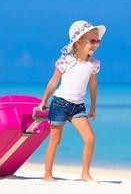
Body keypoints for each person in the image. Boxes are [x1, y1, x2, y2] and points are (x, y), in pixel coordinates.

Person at [38, 20, 106, 182]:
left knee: (90, 138)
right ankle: (47, 174)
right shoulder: (66, 60)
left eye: (98, 41)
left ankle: (85, 174)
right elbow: (53, 82)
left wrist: (93, 107)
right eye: (92, 41)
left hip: (78, 107)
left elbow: (93, 85)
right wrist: (44, 101)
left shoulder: (94, 64)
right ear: (79, 42)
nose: (96, 45)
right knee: (55, 139)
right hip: (60, 103)